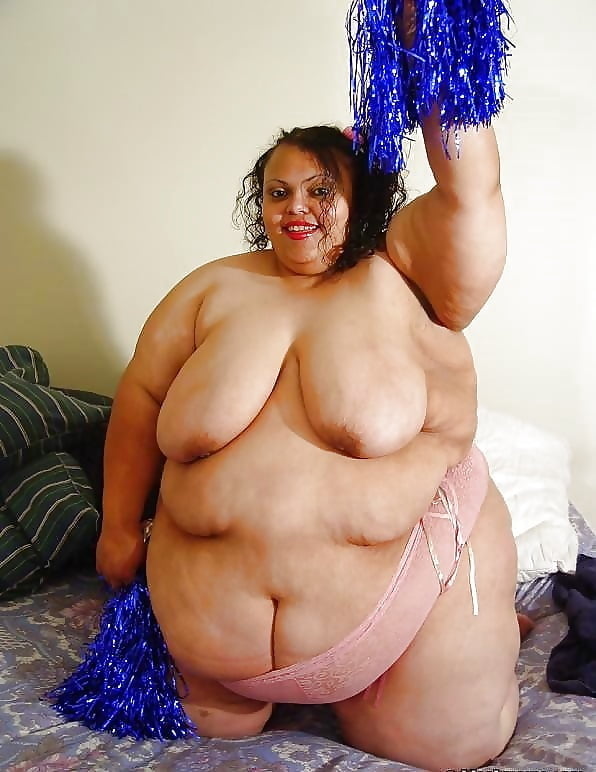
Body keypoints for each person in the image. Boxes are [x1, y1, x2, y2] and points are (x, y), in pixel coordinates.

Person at [96, 24, 520, 772]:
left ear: (364, 196)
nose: (297, 207)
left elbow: (470, 190)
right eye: (279, 191)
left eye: (322, 190)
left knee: (444, 751)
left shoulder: (410, 277)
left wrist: (423, 35)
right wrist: (118, 526)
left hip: (397, 621)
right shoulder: (213, 287)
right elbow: (140, 398)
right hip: (209, 639)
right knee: (198, 733)